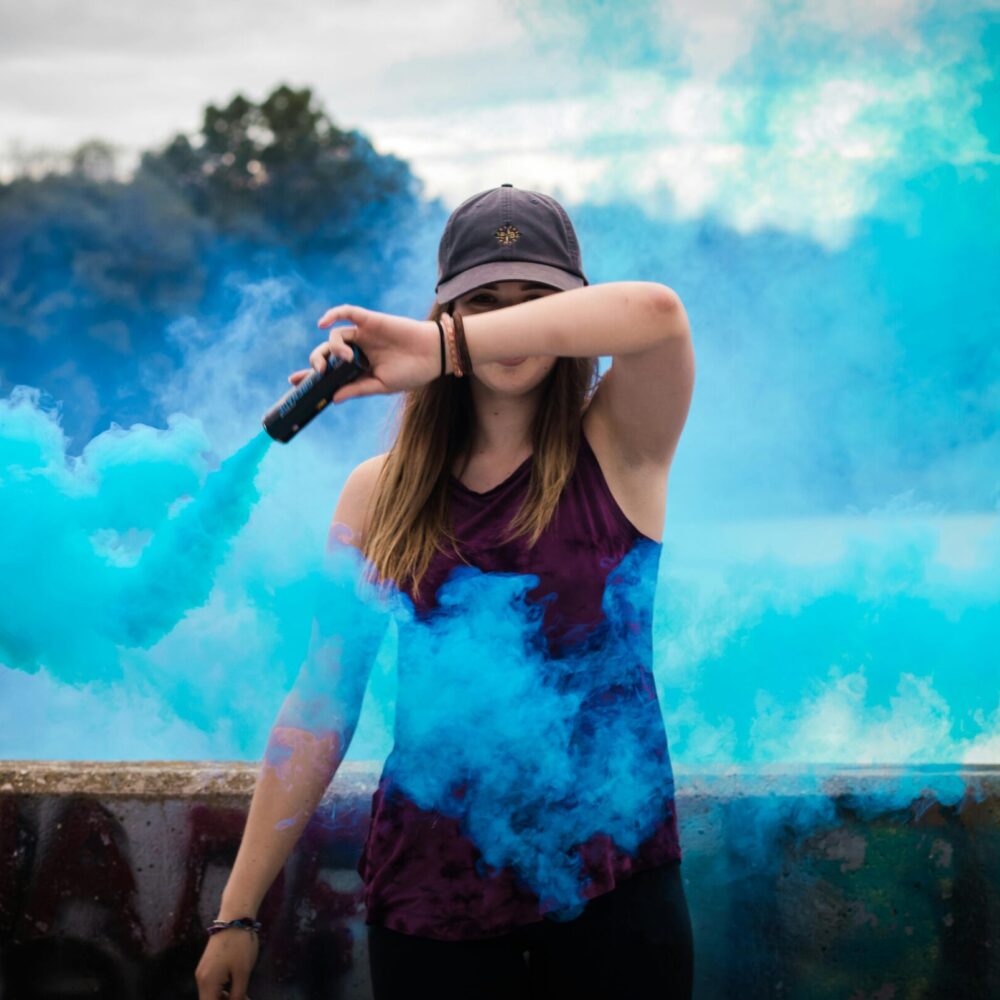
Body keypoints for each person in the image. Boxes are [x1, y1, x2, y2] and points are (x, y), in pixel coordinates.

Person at [195, 184, 696, 1000]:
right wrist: (237, 912)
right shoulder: (375, 493)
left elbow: (659, 314)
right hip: (431, 908)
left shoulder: (621, 447)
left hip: (616, 893)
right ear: (444, 308)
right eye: (482, 301)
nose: (506, 326)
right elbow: (321, 705)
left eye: (532, 304)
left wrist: (444, 346)